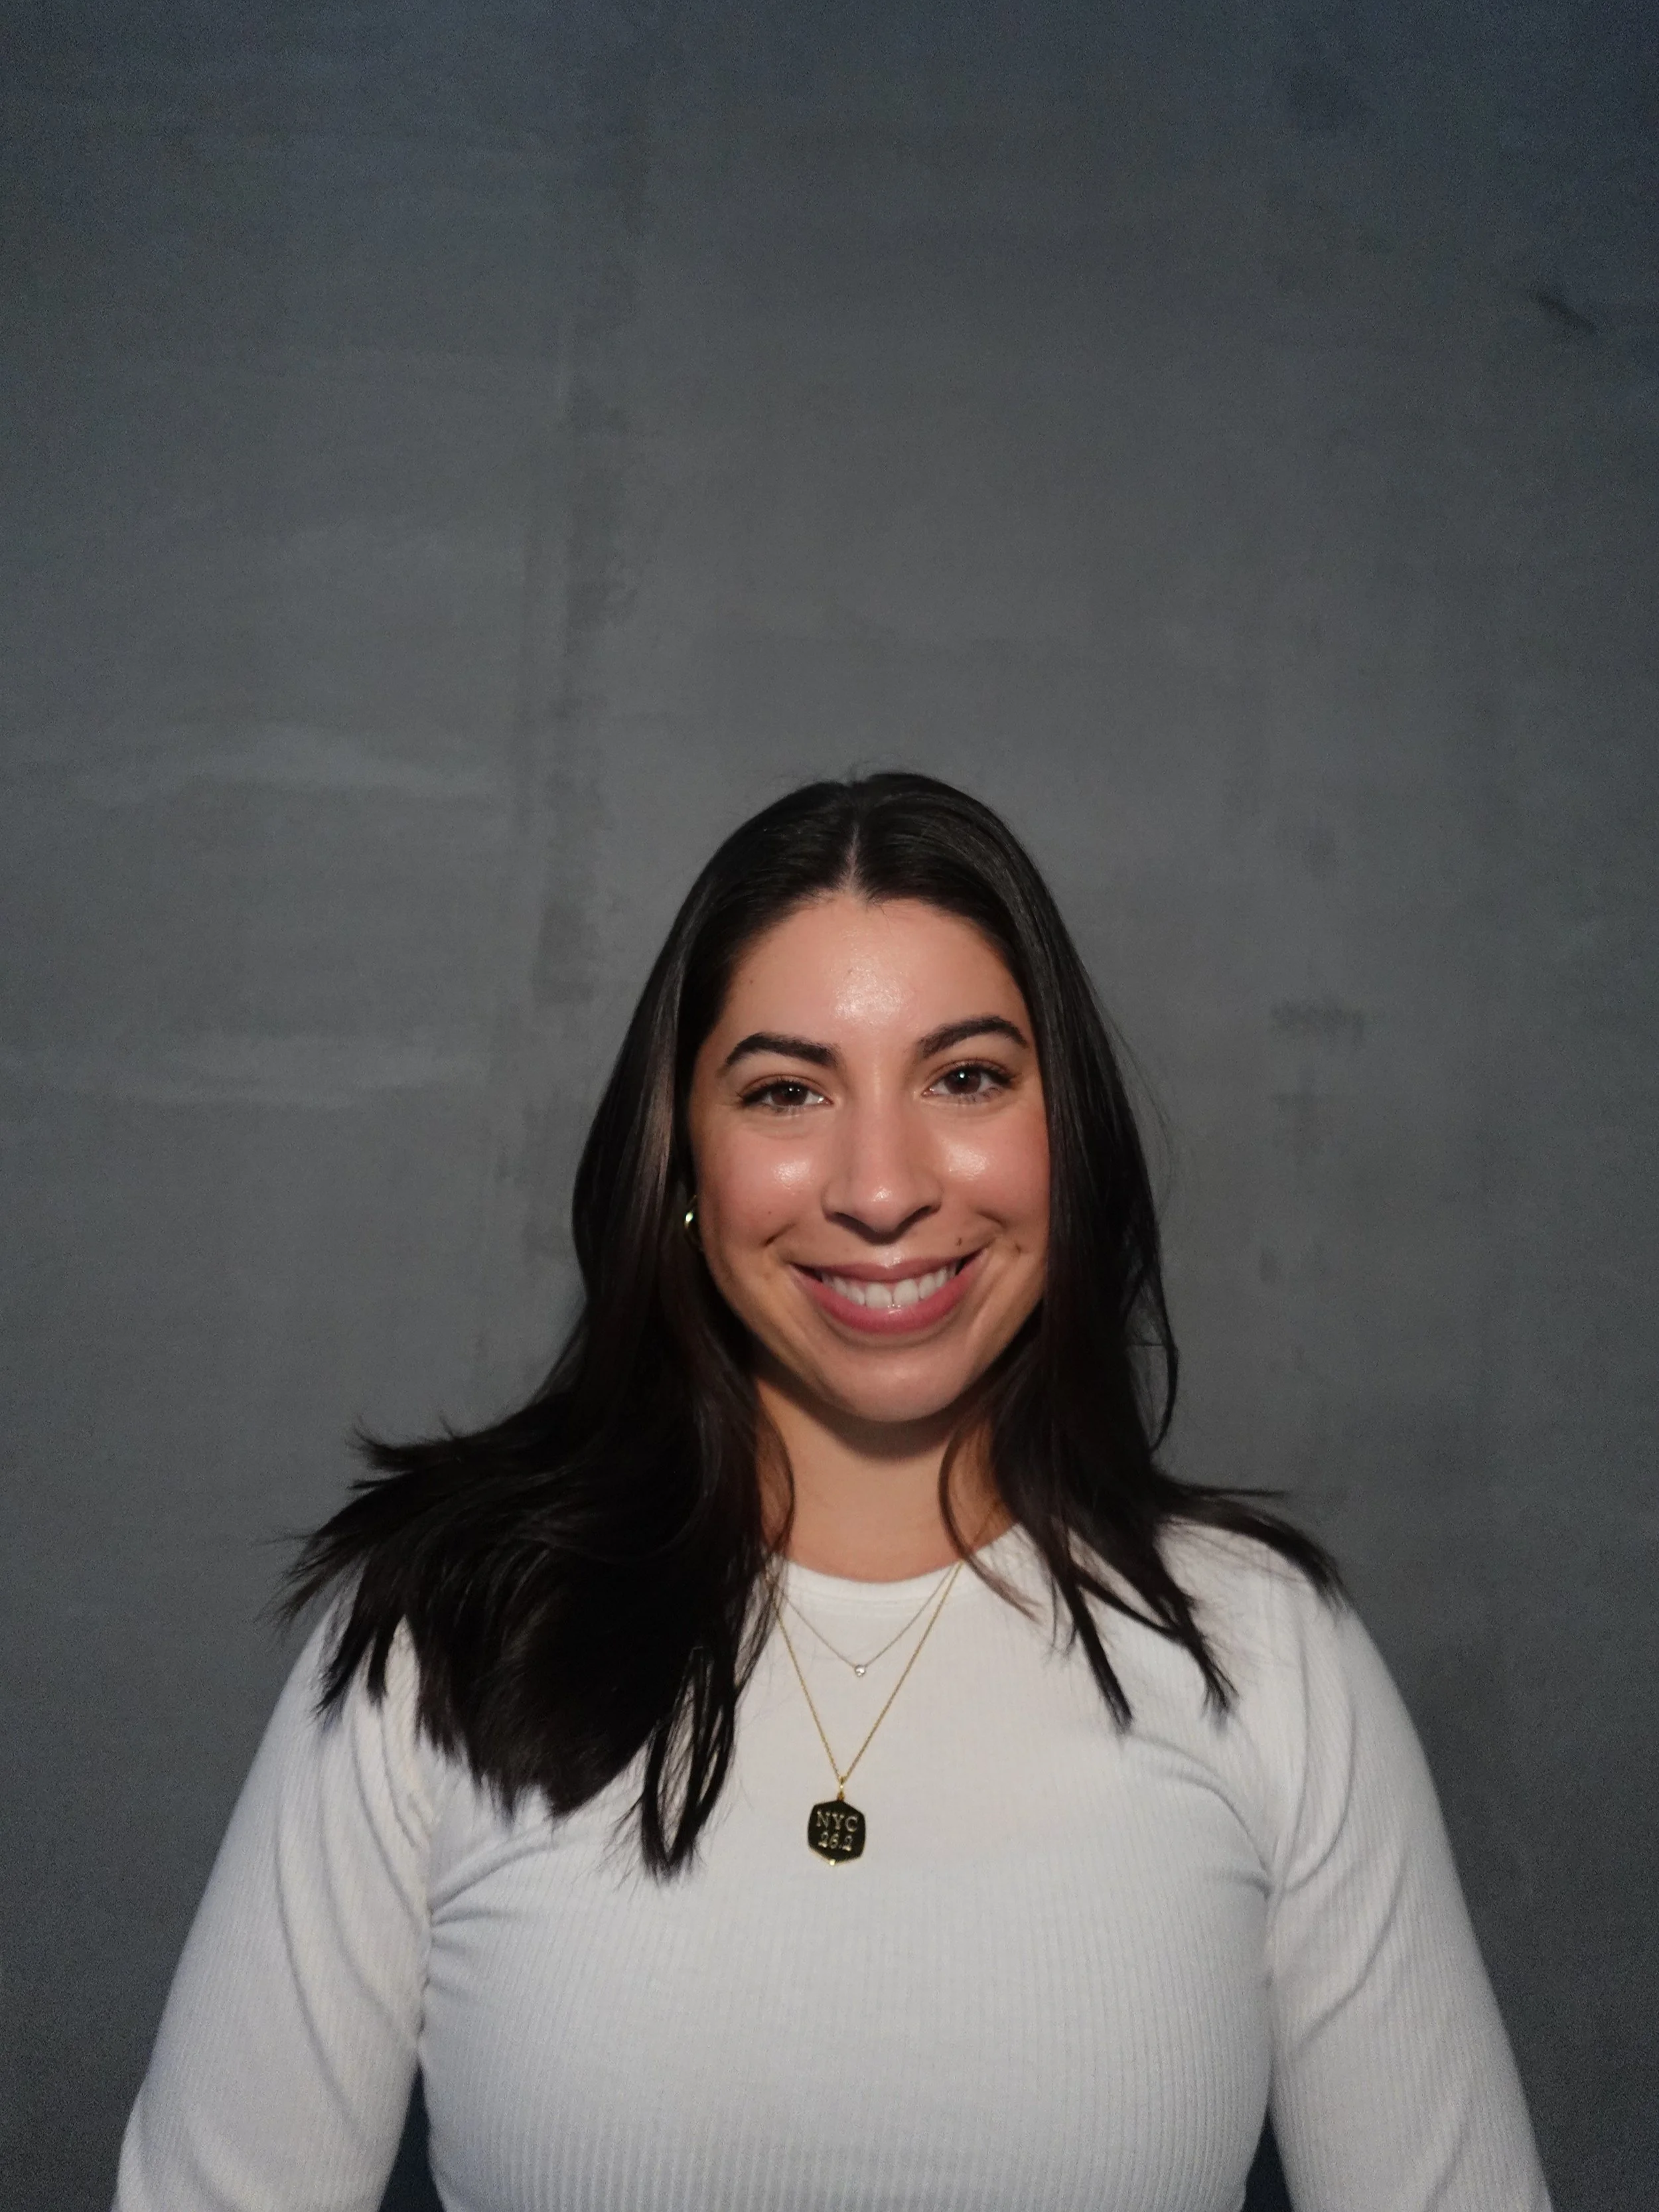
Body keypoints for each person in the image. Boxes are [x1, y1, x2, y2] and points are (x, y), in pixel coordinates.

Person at [113, 772, 1551, 2212]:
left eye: (967, 1077)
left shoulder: (1263, 1652)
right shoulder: (439, 1634)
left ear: (1071, 1140)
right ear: (684, 1162)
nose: (879, 1188)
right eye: (787, 1090)